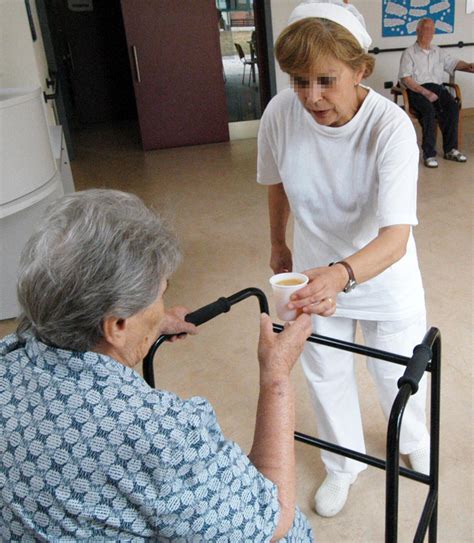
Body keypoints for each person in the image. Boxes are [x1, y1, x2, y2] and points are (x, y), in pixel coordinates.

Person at [0, 189, 314, 541]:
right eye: (160, 293)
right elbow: (268, 521)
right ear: (116, 326)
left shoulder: (7, 359)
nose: (163, 302)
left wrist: (147, 326)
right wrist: (277, 376)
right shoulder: (157, 434)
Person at [257, 0, 431, 518]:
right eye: (299, 81)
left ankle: (413, 438)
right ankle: (342, 466)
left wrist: (342, 274)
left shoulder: (391, 128)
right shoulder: (279, 114)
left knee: (396, 372)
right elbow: (276, 182)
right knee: (324, 370)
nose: (311, 97)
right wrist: (277, 242)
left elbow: (396, 237)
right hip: (313, 271)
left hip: (382, 275)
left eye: (325, 80)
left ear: (360, 69)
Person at [399, 17, 474, 168]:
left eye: (431, 29)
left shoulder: (438, 51)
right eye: (425, 28)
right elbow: (406, 78)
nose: (428, 32)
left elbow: (454, 63)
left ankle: (451, 149)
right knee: (428, 111)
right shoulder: (409, 53)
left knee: (452, 107)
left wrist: (468, 65)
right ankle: (429, 154)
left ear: (434, 32)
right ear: (418, 30)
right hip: (416, 90)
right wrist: (425, 93)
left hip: (437, 87)